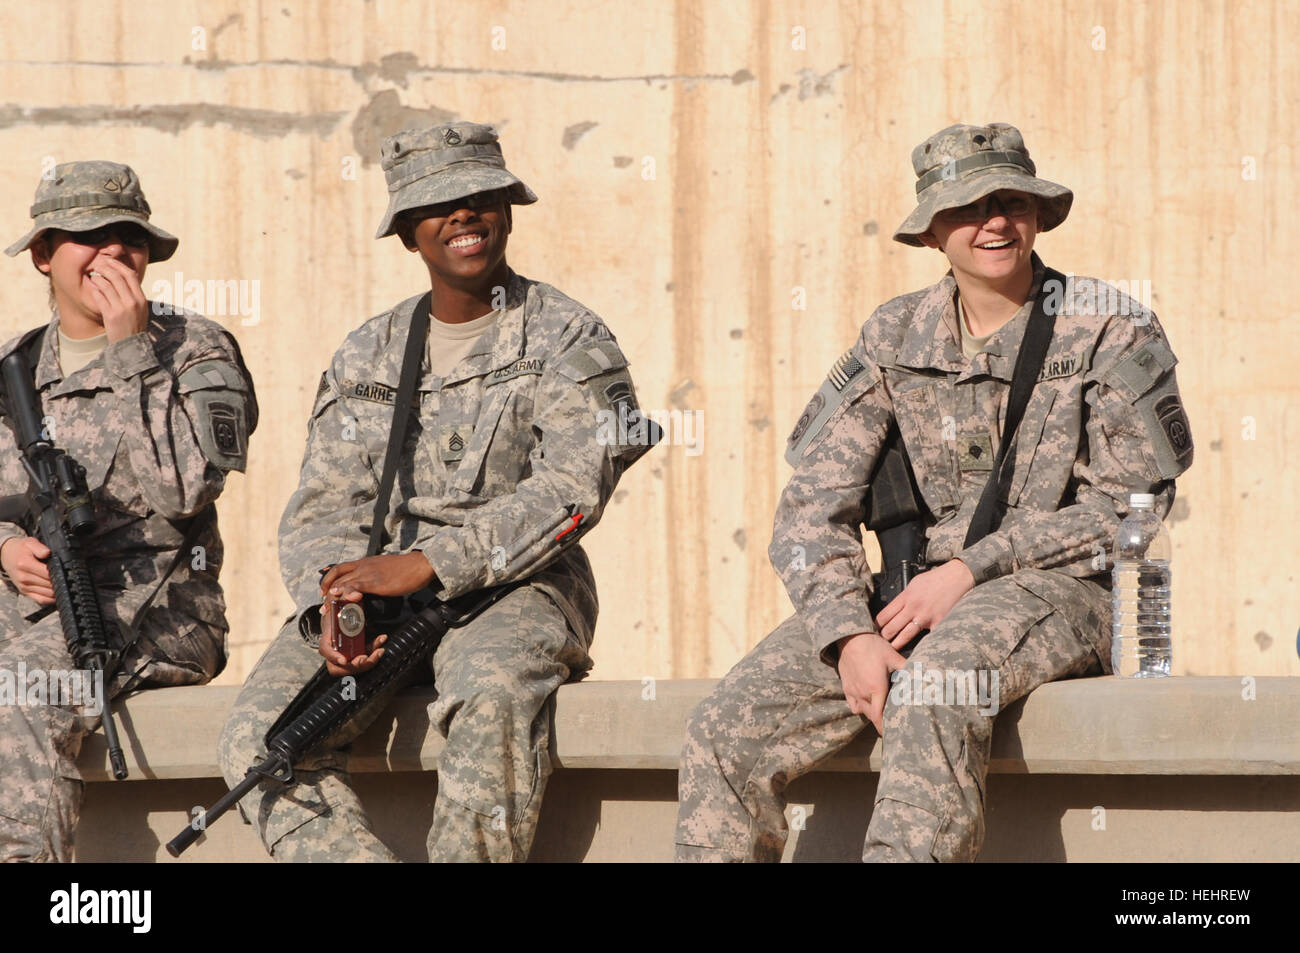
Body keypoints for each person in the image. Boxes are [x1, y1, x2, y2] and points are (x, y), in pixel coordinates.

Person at [675, 122, 1194, 862]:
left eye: (1012, 201)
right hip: (906, 599)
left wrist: (972, 569)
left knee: (935, 693)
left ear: (1039, 214)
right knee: (723, 729)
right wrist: (849, 633)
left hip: (1059, 591)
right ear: (930, 234)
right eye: (967, 207)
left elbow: (1131, 509)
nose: (994, 222)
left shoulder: (1110, 328)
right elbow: (808, 511)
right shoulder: (895, 336)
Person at [218, 121, 655, 863]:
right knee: (259, 744)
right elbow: (326, 503)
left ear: (508, 210)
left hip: (521, 586)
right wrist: (336, 597)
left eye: (480, 196)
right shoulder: (368, 352)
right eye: (439, 204)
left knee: (493, 696)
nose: (463, 215)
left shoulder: (569, 335)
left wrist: (432, 563)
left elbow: (572, 490)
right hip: (382, 596)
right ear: (408, 234)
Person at [0, 160, 257, 862]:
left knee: (19, 692)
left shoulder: (194, 350)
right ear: (45, 255)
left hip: (160, 615)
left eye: (128, 237)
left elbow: (182, 490)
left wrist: (130, 355)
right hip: (25, 612)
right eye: (90, 235)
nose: (113, 251)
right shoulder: (14, 367)